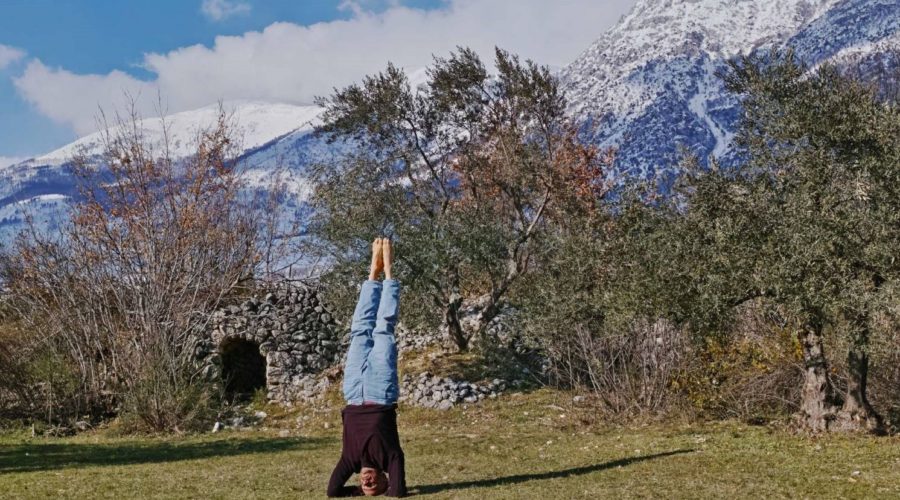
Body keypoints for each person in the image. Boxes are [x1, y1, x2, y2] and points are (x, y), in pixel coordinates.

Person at [327, 237, 407, 497]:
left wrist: (359, 494)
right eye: (374, 486)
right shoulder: (389, 458)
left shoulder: (350, 462)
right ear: (385, 479)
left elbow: (333, 492)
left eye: (364, 486)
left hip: (353, 392)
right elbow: (397, 494)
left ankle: (373, 274)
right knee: (384, 329)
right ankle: (390, 274)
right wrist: (389, 491)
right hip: (381, 391)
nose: (367, 484)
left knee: (360, 331)